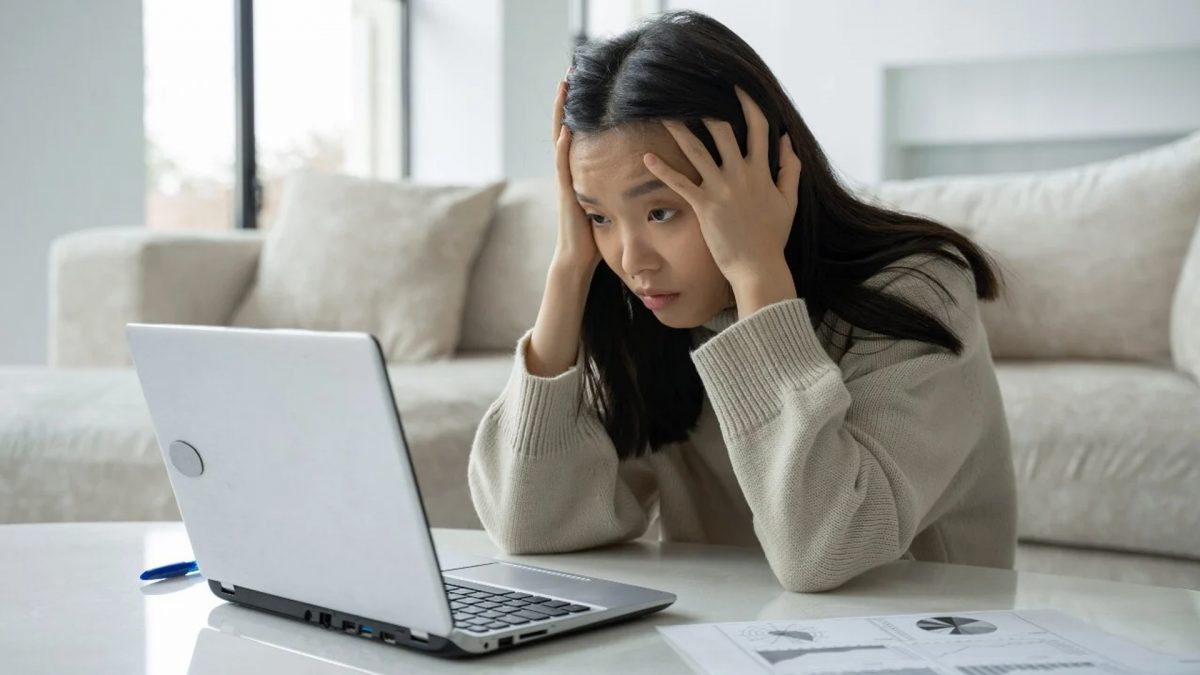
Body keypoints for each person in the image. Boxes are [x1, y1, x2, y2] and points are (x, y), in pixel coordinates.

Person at [467, 10, 1016, 593]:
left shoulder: (911, 289)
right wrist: (568, 270)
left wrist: (757, 273)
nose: (632, 260)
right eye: (599, 216)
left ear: (763, 175)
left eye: (661, 211)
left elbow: (823, 551)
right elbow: (528, 527)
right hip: (723, 638)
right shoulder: (651, 309)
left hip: (920, 638)